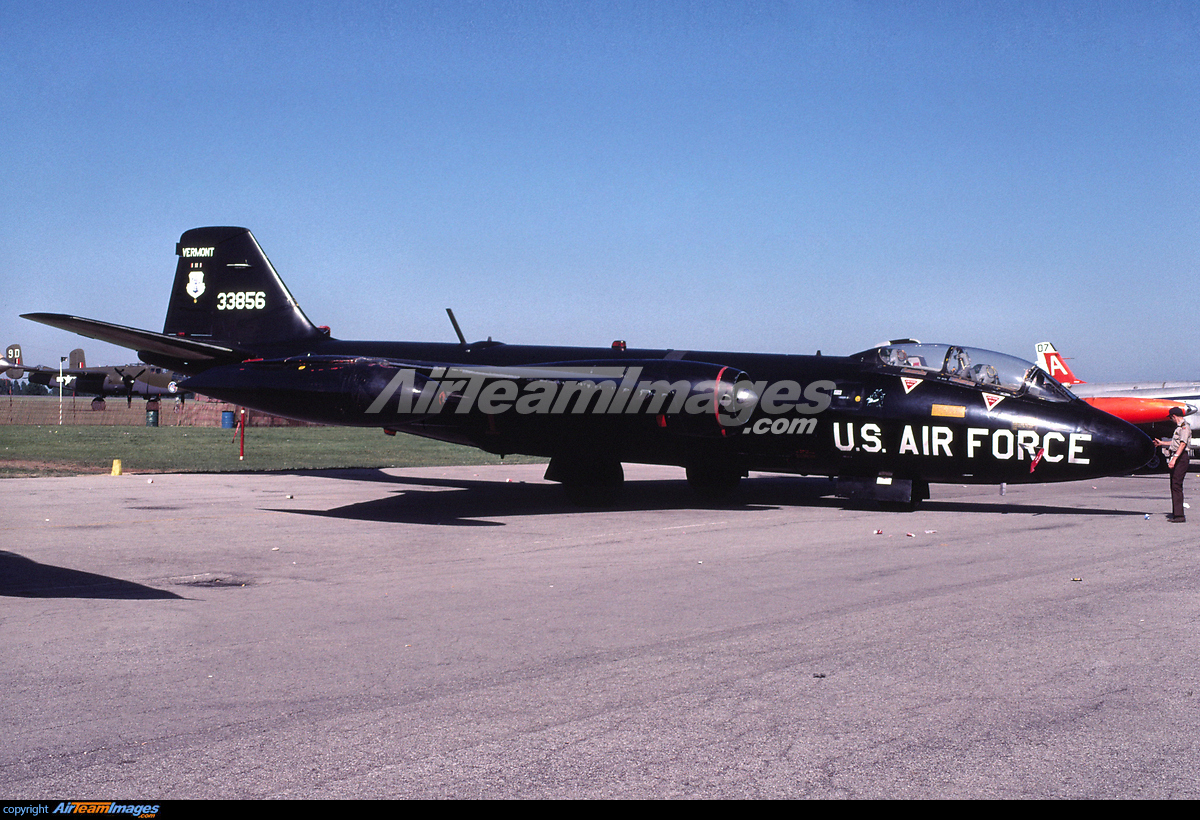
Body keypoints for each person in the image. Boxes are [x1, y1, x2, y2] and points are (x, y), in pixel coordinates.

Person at [1154, 407, 1191, 522]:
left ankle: (1179, 516)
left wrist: (1174, 458)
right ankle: (1177, 513)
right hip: (1179, 456)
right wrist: (1162, 443)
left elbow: (1182, 444)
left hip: (1181, 457)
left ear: (1174, 416)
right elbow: (1175, 443)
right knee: (1174, 484)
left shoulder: (1184, 427)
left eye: (1171, 417)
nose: (1171, 420)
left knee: (1176, 485)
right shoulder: (1179, 428)